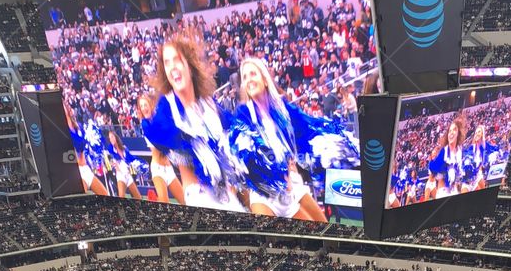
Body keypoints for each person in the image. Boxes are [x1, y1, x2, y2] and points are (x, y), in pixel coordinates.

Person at [230, 56, 357, 222]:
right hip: (264, 195)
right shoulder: (242, 116)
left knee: (324, 228)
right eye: (245, 77)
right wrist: (278, 170)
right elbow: (246, 153)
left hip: (290, 189)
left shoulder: (284, 112)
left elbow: (311, 130)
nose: (249, 80)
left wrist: (342, 143)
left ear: (265, 80)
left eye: (253, 74)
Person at [144, 34, 244, 210]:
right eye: (167, 63)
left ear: (190, 66)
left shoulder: (209, 105)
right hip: (200, 198)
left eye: (177, 59)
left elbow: (234, 133)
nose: (172, 67)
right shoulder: (167, 109)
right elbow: (161, 134)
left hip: (227, 196)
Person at [137, 90, 185, 204]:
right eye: (141, 106)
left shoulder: (159, 119)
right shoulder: (145, 125)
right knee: (165, 201)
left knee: (185, 201)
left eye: (145, 104)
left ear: (151, 105)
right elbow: (162, 141)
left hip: (169, 169)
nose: (144, 108)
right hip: (157, 169)